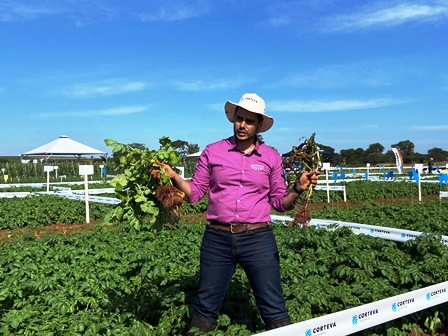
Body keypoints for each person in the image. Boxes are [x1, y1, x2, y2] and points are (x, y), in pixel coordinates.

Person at [157, 93, 320, 334]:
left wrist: (297, 187)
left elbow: (279, 203)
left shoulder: (271, 157)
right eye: (239, 119)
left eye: (249, 121)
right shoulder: (213, 151)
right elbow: (196, 194)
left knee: (273, 306)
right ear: (233, 119)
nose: (242, 125)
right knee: (206, 306)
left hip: (257, 239)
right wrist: (174, 177)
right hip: (217, 239)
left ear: (259, 125)